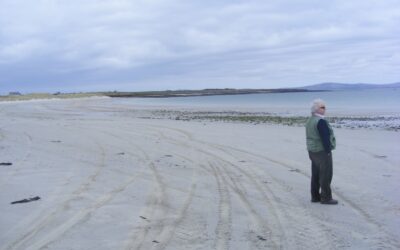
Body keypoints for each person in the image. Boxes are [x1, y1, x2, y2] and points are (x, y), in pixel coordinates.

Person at [305, 99, 338, 205]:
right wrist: (328, 151)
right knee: (326, 175)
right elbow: (325, 138)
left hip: (312, 151)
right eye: (322, 107)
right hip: (321, 151)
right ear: (316, 109)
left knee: (316, 174)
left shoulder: (310, 120)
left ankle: (315, 196)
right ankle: (326, 198)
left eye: (324, 107)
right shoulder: (321, 121)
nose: (325, 109)